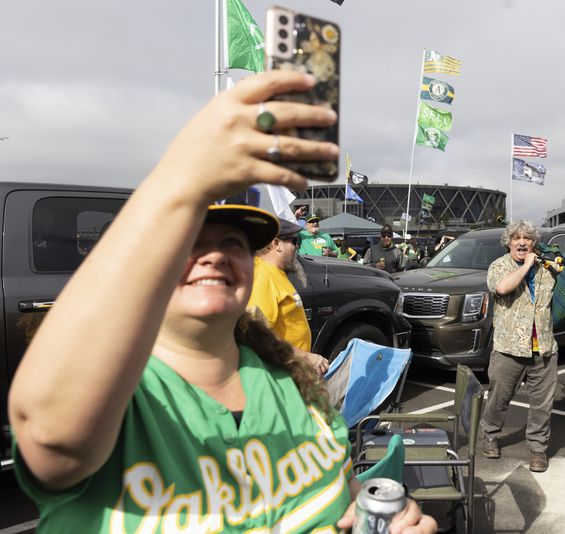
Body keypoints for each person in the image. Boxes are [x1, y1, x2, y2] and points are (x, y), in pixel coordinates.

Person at [8, 70, 435, 533]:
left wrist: (364, 509)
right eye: (187, 240)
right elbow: (51, 430)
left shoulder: (293, 389)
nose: (213, 254)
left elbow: (333, 489)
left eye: (233, 243)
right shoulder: (116, 389)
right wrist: (180, 178)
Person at [479, 220, 565, 472]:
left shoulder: (546, 268)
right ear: (508, 242)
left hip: (544, 347)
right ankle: (490, 434)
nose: (522, 242)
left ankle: (538, 449)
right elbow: (502, 288)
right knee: (499, 398)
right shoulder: (499, 266)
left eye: (527, 238)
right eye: (516, 238)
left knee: (542, 403)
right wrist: (527, 265)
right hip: (509, 348)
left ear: (533, 242)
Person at [249, 217, 329, 378]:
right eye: (293, 241)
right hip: (280, 375)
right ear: (276, 244)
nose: (297, 246)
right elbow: (258, 337)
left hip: (292, 370)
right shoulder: (263, 276)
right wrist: (306, 357)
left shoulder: (275, 272)